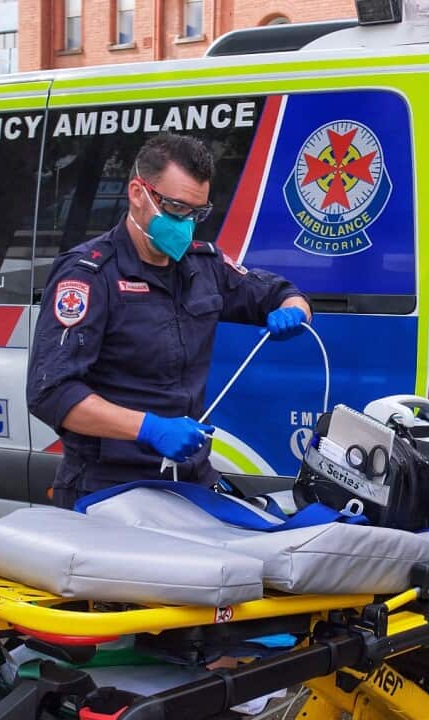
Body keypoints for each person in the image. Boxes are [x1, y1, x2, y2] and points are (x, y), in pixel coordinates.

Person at [27, 134, 312, 509]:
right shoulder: (89, 275)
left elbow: (279, 292)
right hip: (107, 487)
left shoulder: (203, 266)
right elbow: (50, 393)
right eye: (177, 209)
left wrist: (294, 310)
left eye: (197, 213)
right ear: (137, 193)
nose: (186, 225)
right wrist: (149, 429)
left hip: (188, 480)